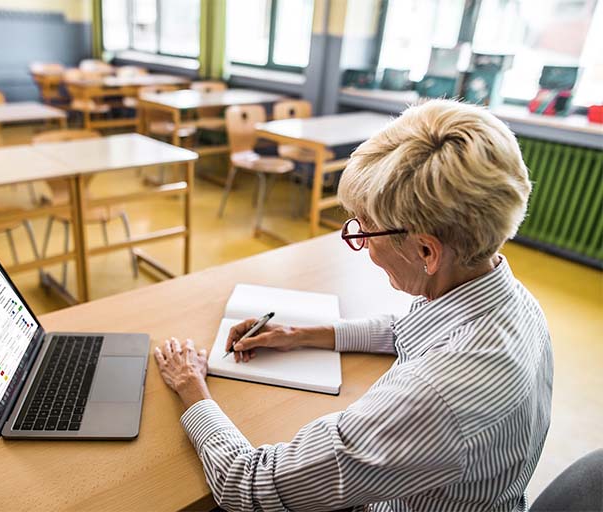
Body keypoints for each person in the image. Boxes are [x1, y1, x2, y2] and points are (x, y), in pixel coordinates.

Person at [154, 99, 552, 511]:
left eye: (365, 229)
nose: (360, 243)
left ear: (426, 252)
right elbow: (407, 330)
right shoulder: (508, 300)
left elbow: (249, 484)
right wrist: (299, 334)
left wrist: (191, 386)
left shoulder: (438, 397)